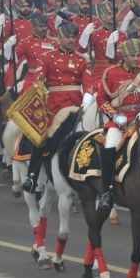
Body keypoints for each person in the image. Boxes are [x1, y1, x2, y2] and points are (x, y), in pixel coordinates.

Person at [20, 22, 94, 193]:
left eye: (73, 37)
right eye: (67, 37)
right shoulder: (47, 57)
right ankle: (32, 177)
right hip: (54, 104)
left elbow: (88, 85)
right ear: (59, 38)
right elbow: (38, 79)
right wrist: (41, 93)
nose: (71, 40)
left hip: (76, 104)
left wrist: (85, 104)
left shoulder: (82, 60)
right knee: (42, 137)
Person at [96, 39, 140, 209]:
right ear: (124, 56)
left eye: (138, 55)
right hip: (120, 122)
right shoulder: (111, 73)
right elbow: (101, 99)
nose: (136, 58)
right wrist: (114, 115)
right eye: (132, 55)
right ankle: (107, 192)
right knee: (109, 148)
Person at [79, 2, 126, 87]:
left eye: (114, 14)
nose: (112, 16)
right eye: (109, 14)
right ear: (102, 16)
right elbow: (83, 52)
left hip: (119, 72)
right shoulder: (95, 34)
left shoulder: (122, 35)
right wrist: (85, 36)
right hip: (101, 72)